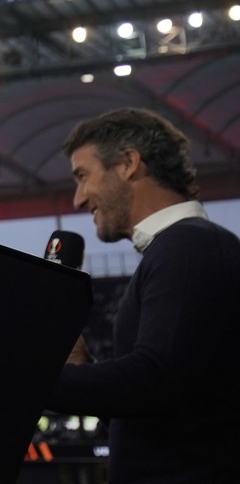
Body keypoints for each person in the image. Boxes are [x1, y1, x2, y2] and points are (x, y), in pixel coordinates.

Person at [48, 107, 240, 482]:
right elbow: (161, 413)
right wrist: (81, 370)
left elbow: (154, 381)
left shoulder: (189, 246)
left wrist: (24, 379)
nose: (77, 199)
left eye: (83, 176)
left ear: (128, 163)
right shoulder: (183, 248)